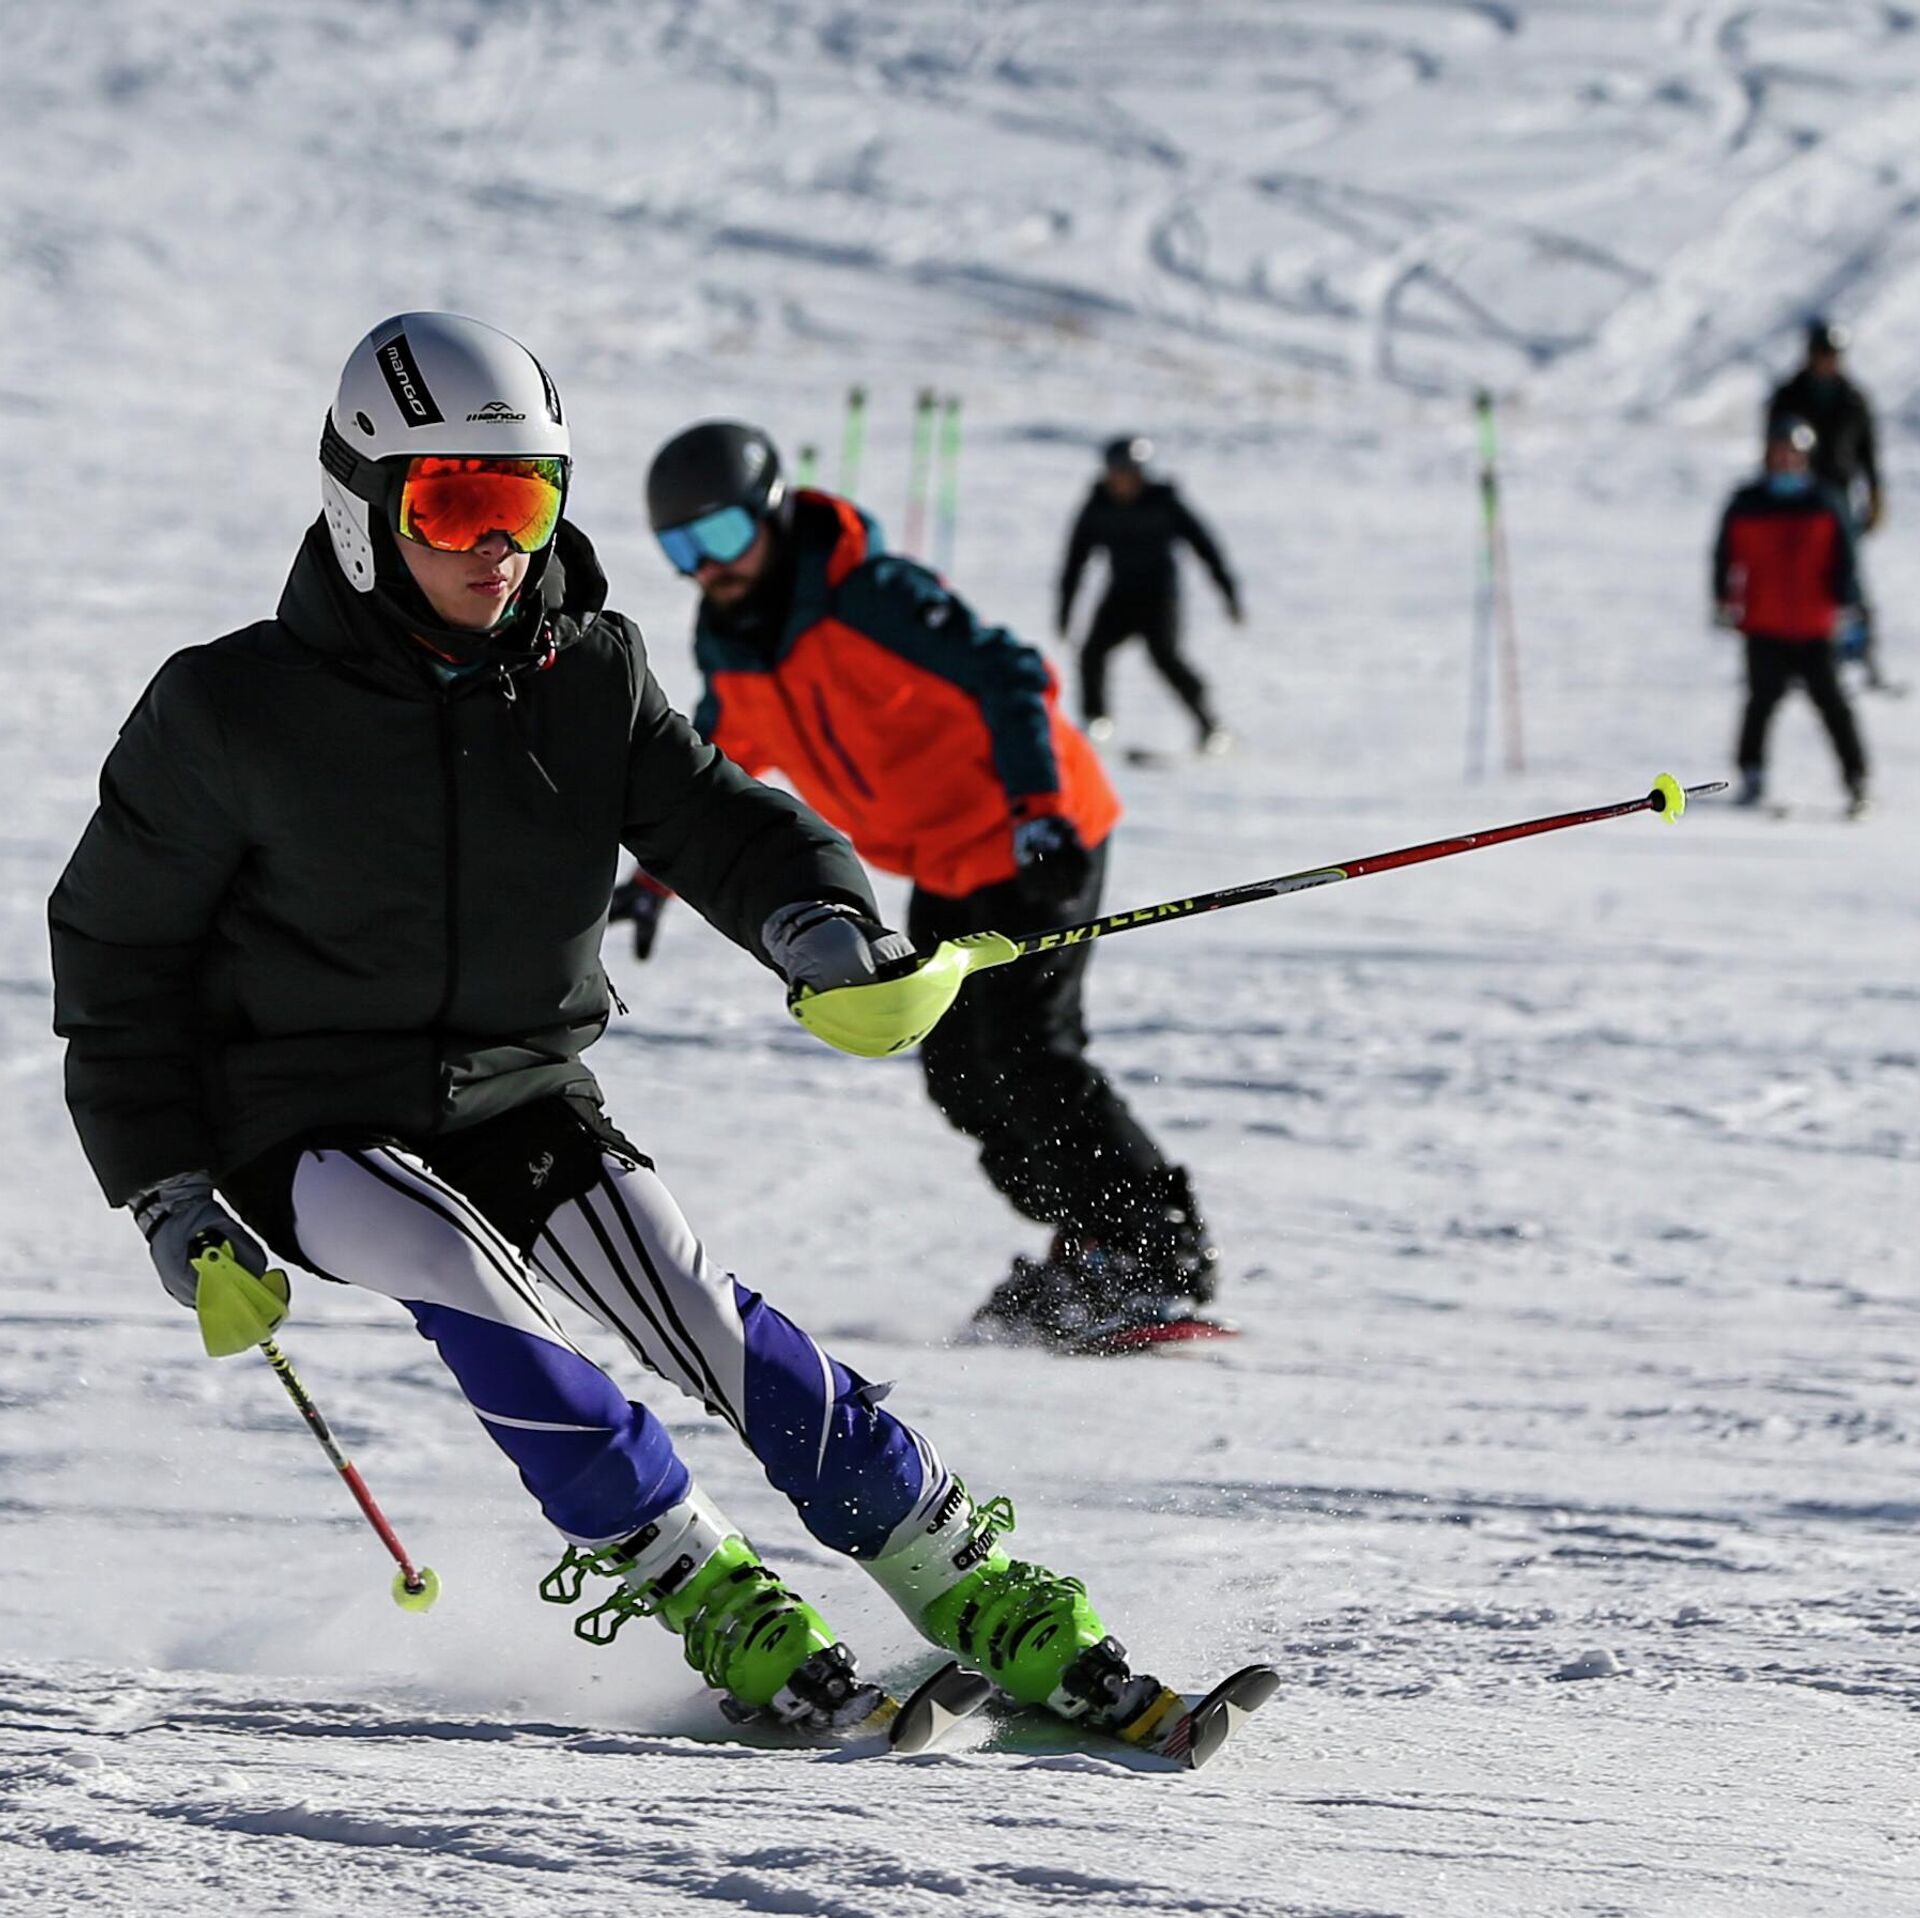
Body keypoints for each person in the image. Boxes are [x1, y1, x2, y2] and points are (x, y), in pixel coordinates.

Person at [48, 313, 1166, 1738]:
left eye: (524, 500)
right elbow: (119, 952)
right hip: (300, 1117)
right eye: (453, 503)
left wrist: (823, 924)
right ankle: (702, 1583)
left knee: (695, 1305)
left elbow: (723, 821)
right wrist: (166, 1188)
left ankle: (960, 1571)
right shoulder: (228, 709)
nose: (494, 546)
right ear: (361, 510)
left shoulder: (588, 672)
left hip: (518, 1088)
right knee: (470, 1280)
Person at [630, 420, 1222, 1349]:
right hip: (943, 858)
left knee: (1029, 1051)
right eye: (681, 549)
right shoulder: (731, 637)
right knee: (959, 1074)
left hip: (1031, 833)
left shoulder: (870, 596)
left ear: (772, 514)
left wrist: (1038, 809)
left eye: (723, 535)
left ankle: (1156, 1256)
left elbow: (1011, 674)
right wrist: (656, 879)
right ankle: (1090, 1239)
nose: (707, 566)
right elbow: (720, 763)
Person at [1712, 415, 1870, 817]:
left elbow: (1846, 560)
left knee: (1832, 704)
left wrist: (1850, 607)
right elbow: (1724, 555)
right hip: (1764, 622)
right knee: (1760, 703)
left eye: (1793, 454)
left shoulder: (1825, 501)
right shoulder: (1748, 502)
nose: (1785, 461)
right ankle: (1751, 773)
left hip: (1815, 624)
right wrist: (1723, 598)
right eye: (1779, 453)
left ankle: (1856, 779)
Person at [1055, 436, 1242, 750]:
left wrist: (1228, 593)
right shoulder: (1098, 507)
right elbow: (1075, 561)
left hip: (1160, 597)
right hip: (1120, 595)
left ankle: (1209, 726)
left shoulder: (1164, 502)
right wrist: (1065, 611)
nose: (1121, 481)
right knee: (1092, 652)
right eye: (1116, 472)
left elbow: (1205, 547)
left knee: (1165, 657)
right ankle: (1096, 720)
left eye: (1128, 472)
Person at [1766, 319, 1888, 687]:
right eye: (1822, 353)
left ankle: (1861, 654)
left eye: (1833, 354)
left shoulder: (1853, 398)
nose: (1827, 360)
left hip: (1838, 497)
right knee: (1795, 574)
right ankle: (1791, 659)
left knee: (1847, 574)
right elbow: (1771, 448)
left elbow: (1867, 451)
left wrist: (1875, 493)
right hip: (1797, 498)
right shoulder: (1790, 394)